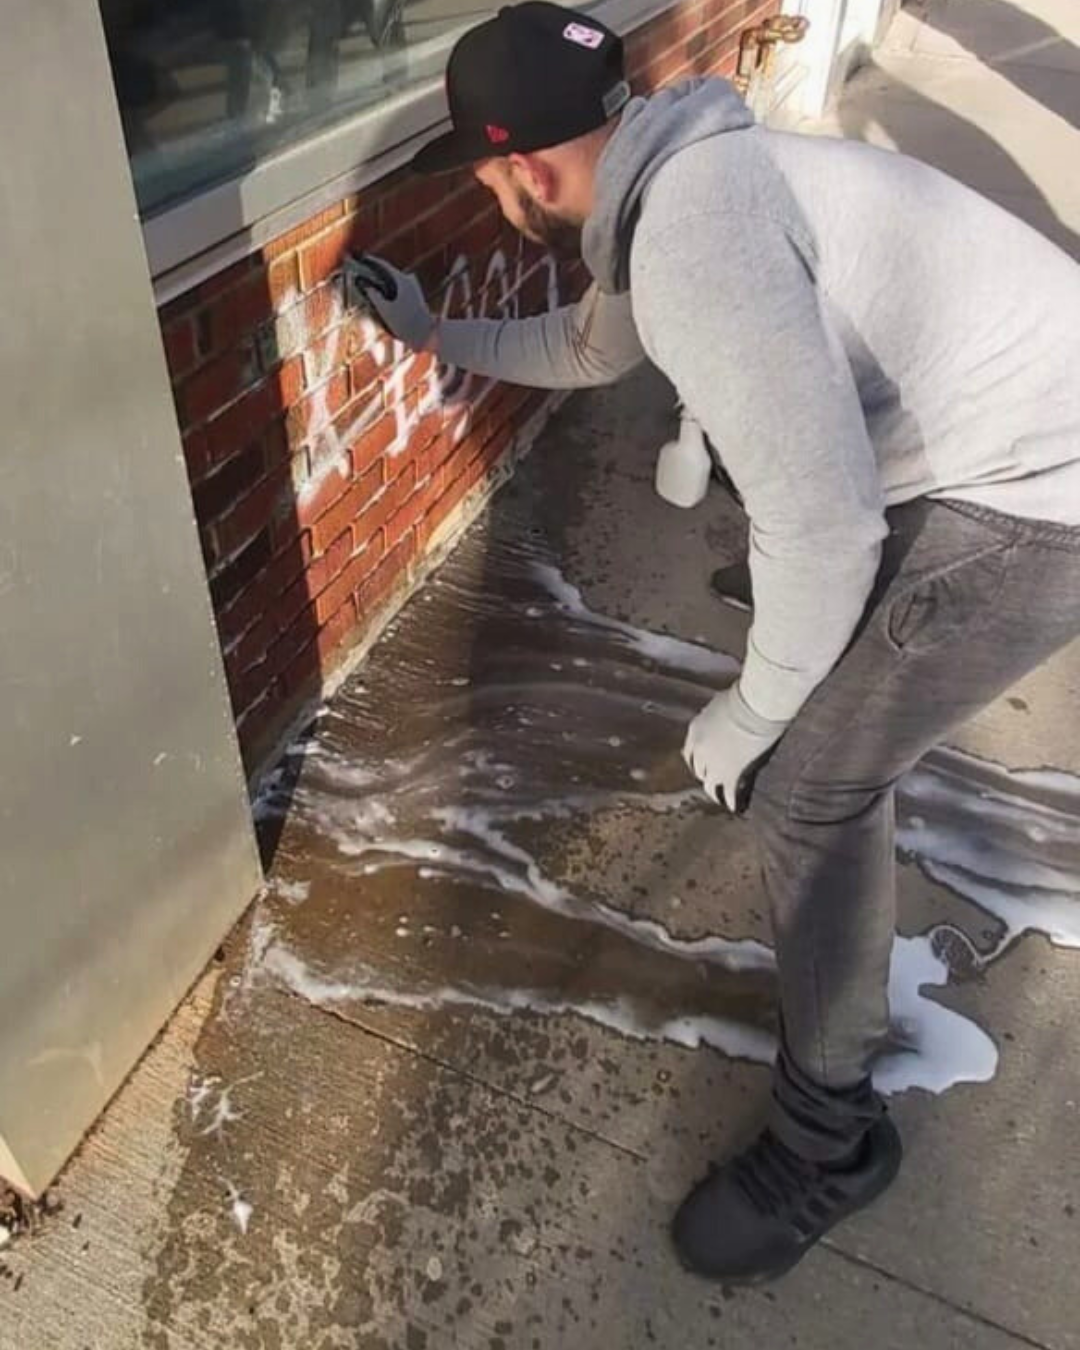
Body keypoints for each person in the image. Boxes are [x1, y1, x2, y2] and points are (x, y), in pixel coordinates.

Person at [346, 1, 1080, 1284]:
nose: (491, 196)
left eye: (481, 174)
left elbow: (833, 523)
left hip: (1045, 498)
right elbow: (590, 343)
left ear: (525, 167)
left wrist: (754, 711)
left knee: (808, 786)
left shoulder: (693, 238)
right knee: (795, 576)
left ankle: (830, 1144)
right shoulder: (684, 172)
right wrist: (436, 333)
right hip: (1001, 434)